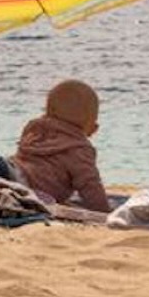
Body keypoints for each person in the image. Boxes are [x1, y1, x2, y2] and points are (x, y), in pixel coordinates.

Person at [7, 79, 111, 213]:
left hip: (6, 168)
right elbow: (90, 185)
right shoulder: (78, 148)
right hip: (23, 187)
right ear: (91, 124)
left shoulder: (36, 129)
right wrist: (104, 211)